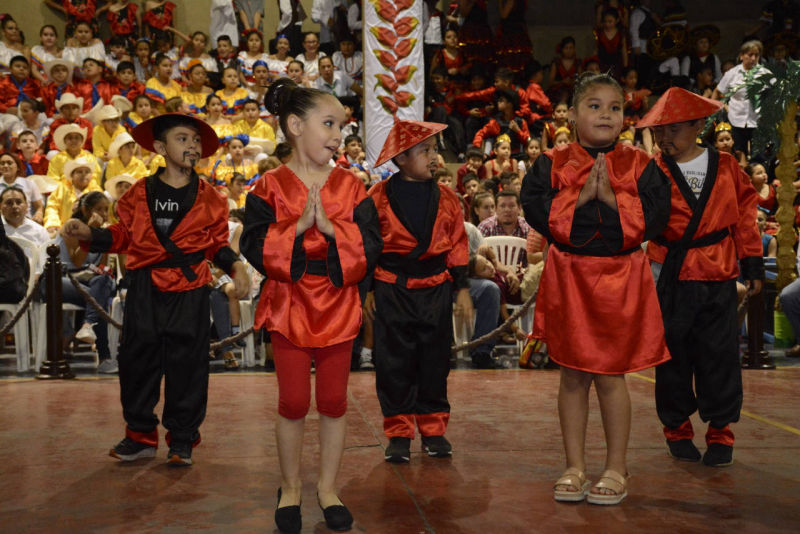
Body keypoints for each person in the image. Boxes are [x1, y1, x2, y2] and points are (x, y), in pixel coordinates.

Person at [63, 112, 250, 466]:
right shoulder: (138, 192)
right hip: (145, 286)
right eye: (183, 139)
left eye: (196, 140)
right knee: (137, 361)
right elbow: (123, 235)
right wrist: (90, 234)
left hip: (190, 288)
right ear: (161, 148)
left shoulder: (211, 197)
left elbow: (216, 244)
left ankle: (182, 439)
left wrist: (236, 266)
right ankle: (140, 436)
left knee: (188, 365)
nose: (192, 146)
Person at [521, 72, 672, 505]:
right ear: (571, 114)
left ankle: (616, 466)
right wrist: (579, 198)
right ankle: (574, 466)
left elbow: (659, 216)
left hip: (620, 277)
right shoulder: (551, 162)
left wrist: (612, 200)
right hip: (570, 275)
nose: (606, 114)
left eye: (615, 107)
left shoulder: (641, 164)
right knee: (571, 374)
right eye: (594, 106)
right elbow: (535, 209)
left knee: (610, 376)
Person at [239, 78, 381, 534]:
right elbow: (252, 244)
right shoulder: (268, 186)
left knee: (335, 401)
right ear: (296, 126)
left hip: (338, 302)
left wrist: (335, 230)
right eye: (329, 124)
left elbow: (372, 245)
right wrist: (298, 227)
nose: (339, 135)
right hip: (289, 303)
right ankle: (290, 488)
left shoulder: (352, 186)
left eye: (342, 126)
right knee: (294, 400)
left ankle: (328, 488)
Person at [637, 87, 764, 468]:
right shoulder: (652, 169)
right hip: (668, 272)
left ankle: (721, 433)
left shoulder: (727, 166)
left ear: (699, 126)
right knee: (672, 357)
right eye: (658, 131)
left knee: (720, 356)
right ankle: (676, 430)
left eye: (673, 129)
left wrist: (752, 264)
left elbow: (745, 217)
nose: (664, 138)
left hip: (717, 271)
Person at [364, 119, 472, 463]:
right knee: (392, 363)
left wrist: (463, 288)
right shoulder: (376, 197)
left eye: (435, 149)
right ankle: (398, 433)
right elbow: (366, 247)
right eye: (425, 150)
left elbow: (458, 244)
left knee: (435, 361)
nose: (434, 157)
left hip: (436, 289)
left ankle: (433, 429)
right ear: (401, 158)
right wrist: (367, 290)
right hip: (391, 289)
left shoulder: (449, 198)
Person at [712, 41, 768, 159]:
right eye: (750, 55)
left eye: (756, 55)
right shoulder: (732, 73)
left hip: (758, 121)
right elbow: (717, 92)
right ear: (741, 56)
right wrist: (717, 110)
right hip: (736, 121)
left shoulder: (765, 74)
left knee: (759, 158)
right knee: (738, 156)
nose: (753, 58)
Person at [0, 153, 43, 224]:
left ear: (18, 167)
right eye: (2, 163)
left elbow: (39, 207)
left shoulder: (29, 184)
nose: (5, 166)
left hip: (27, 222)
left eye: (9, 163)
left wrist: (39, 214)